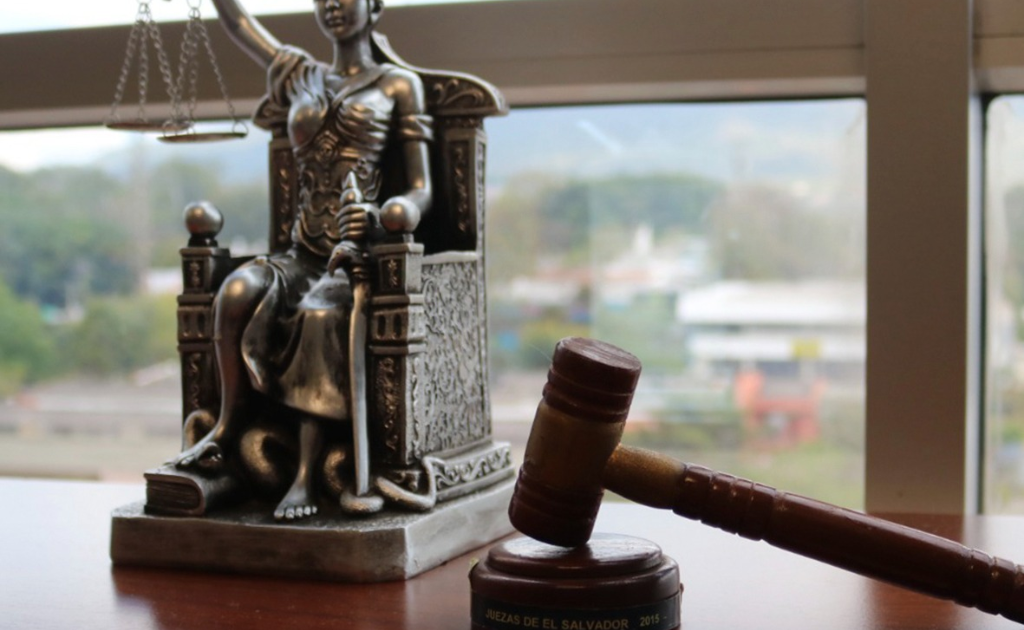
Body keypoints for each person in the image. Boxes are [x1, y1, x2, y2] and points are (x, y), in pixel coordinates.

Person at [173, 0, 433, 521]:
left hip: (354, 256)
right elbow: (238, 23)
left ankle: (305, 475)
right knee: (237, 290)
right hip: (299, 251)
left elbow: (422, 188)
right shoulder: (298, 73)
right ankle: (226, 426)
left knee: (320, 312)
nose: (333, 5)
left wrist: (386, 215)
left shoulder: (398, 85)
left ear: (373, 6)